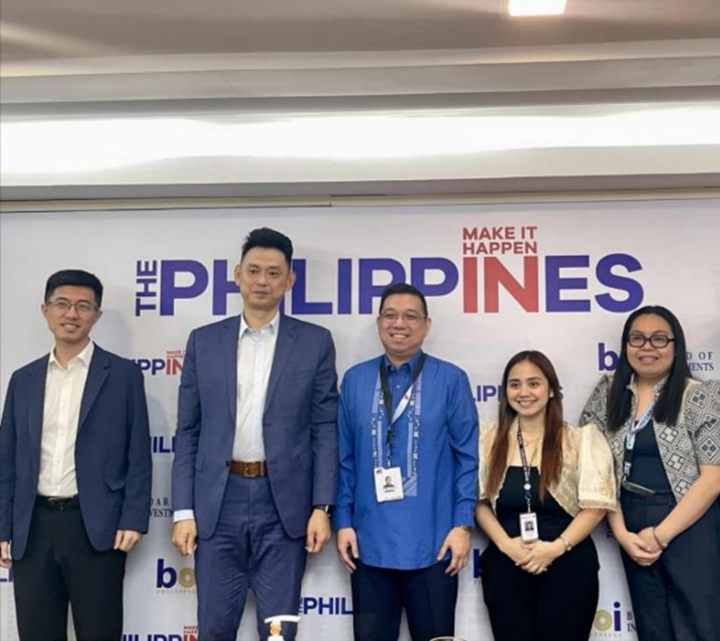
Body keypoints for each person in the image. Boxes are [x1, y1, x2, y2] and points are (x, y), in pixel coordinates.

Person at [171, 228, 338, 641]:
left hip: (284, 506)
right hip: (218, 502)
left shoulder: (315, 342)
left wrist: (322, 506)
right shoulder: (203, 342)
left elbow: (324, 430)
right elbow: (188, 431)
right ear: (237, 276)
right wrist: (182, 510)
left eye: (274, 273)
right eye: (254, 271)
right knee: (213, 628)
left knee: (279, 632)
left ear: (289, 280)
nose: (263, 281)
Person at [0, 269, 152, 641]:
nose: (72, 314)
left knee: (99, 633)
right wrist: (4, 527)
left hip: (95, 526)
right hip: (33, 528)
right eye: (62, 304)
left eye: (83, 306)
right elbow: (6, 459)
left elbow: (138, 454)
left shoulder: (123, 375)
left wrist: (133, 518)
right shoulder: (24, 379)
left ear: (96, 315)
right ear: (45, 310)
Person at [580, 305, 720, 641]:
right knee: (653, 628)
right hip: (630, 520)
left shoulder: (701, 395)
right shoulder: (608, 394)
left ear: (676, 346)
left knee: (701, 627)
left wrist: (660, 534)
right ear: (625, 346)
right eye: (637, 339)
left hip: (688, 521)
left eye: (658, 339)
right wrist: (622, 532)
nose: (647, 347)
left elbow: (714, 479)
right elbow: (597, 471)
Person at [335, 282, 478, 641]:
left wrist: (462, 526)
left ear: (427, 325)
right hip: (368, 543)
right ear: (379, 322)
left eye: (411, 316)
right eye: (390, 315)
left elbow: (468, 458)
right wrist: (343, 521)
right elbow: (344, 459)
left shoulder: (451, 379)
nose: (400, 323)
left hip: (436, 545)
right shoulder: (355, 380)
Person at [476, 351, 616, 641]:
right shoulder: (488, 439)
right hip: (507, 563)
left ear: (551, 389)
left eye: (533, 383)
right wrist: (506, 546)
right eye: (514, 385)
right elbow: (478, 503)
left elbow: (596, 505)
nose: (524, 392)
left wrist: (555, 548)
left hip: (568, 563)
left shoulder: (579, 439)